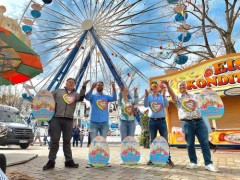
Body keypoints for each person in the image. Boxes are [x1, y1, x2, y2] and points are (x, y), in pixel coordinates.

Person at [164, 80, 219, 172]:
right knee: (190, 144)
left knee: (204, 143)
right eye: (180, 85)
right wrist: (167, 85)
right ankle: (193, 162)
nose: (182, 86)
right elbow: (172, 94)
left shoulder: (194, 95)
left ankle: (208, 163)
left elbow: (203, 99)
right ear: (178, 88)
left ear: (186, 86)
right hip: (187, 123)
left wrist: (208, 91)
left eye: (183, 85)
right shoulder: (177, 98)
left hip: (199, 121)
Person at [42, 78, 89, 170]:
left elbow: (81, 97)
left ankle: (69, 161)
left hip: (69, 119)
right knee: (55, 140)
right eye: (69, 82)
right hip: (56, 118)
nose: (71, 83)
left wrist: (83, 86)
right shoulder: (58, 92)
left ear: (74, 85)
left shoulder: (75, 94)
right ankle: (51, 161)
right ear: (66, 83)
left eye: (73, 83)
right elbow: (47, 98)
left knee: (67, 141)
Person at [85, 81, 117, 168]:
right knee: (93, 143)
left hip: (104, 122)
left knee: (103, 142)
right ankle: (91, 161)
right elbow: (86, 97)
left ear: (103, 86)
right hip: (94, 122)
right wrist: (91, 88)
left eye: (101, 85)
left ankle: (105, 160)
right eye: (98, 85)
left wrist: (114, 88)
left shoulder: (106, 97)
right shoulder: (93, 96)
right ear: (96, 87)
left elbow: (115, 98)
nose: (100, 86)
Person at [144, 81, 174, 166]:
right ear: (151, 88)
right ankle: (151, 158)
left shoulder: (162, 96)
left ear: (158, 87)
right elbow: (145, 105)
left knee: (165, 140)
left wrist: (164, 96)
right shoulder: (149, 97)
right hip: (152, 121)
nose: (154, 87)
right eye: (153, 86)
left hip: (162, 121)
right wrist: (146, 96)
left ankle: (168, 158)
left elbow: (166, 105)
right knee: (152, 140)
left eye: (156, 86)